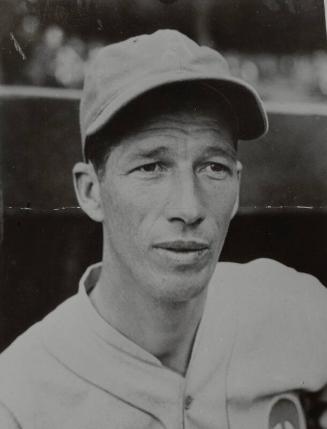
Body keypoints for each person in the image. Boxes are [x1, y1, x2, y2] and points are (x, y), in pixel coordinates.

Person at [0, 29, 327, 429]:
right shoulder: (19, 398)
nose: (189, 208)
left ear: (238, 188)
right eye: (151, 167)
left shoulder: (297, 307)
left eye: (214, 168)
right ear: (91, 192)